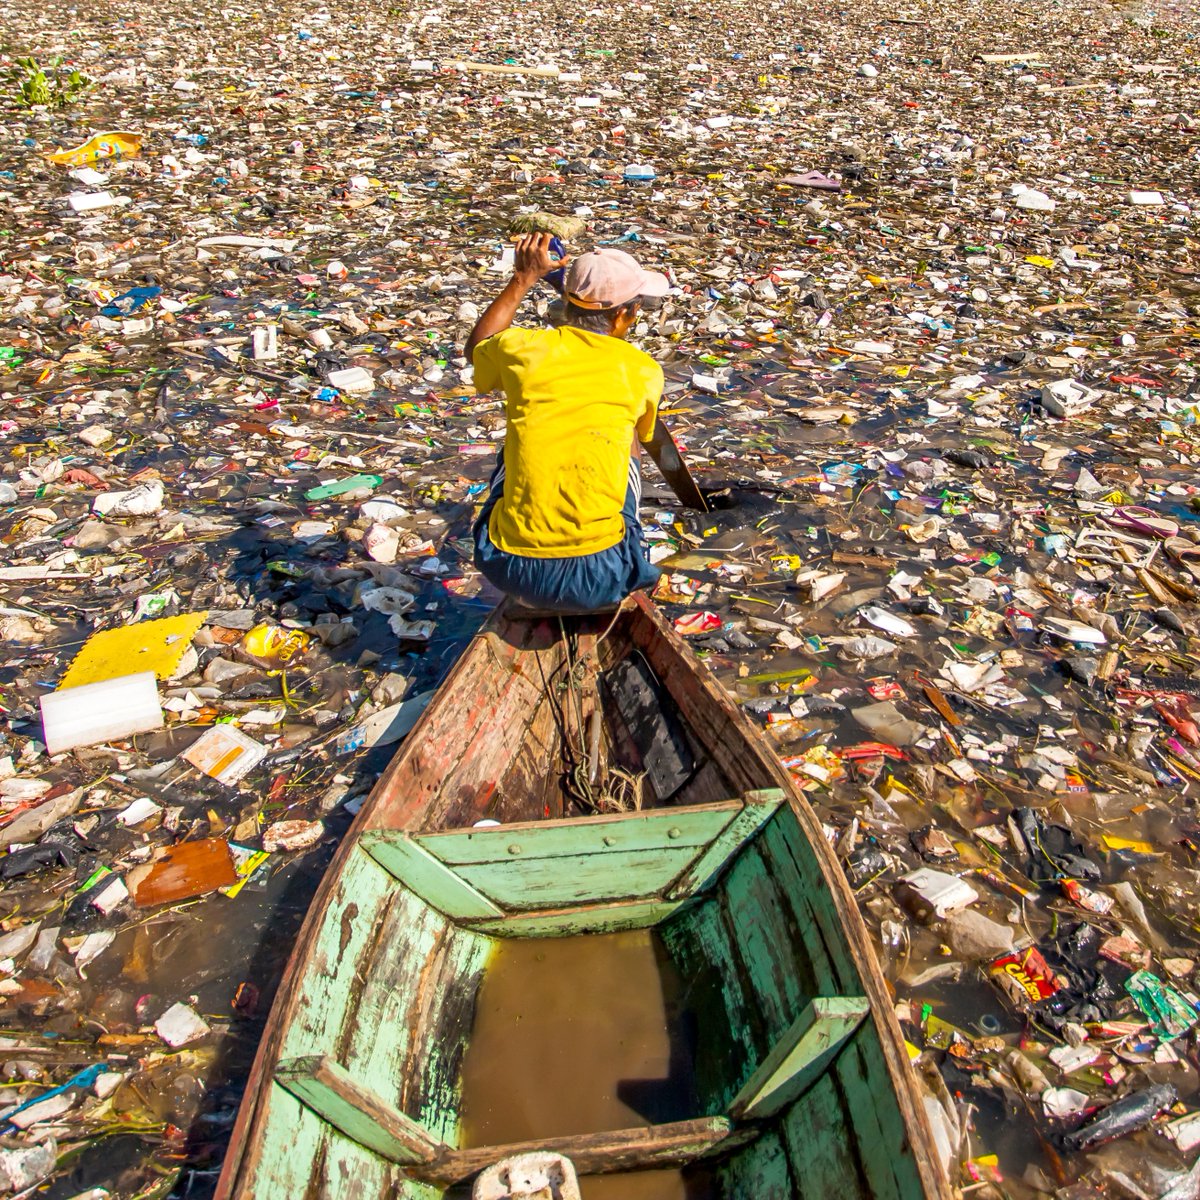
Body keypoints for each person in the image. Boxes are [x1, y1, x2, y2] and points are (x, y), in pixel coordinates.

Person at [465, 234, 670, 612]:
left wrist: (522, 279)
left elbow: (476, 348)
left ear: (565, 302)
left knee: (514, 451)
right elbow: (639, 436)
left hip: (506, 567)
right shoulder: (643, 371)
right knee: (627, 442)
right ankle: (622, 555)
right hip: (602, 574)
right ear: (626, 314)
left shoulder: (520, 348)